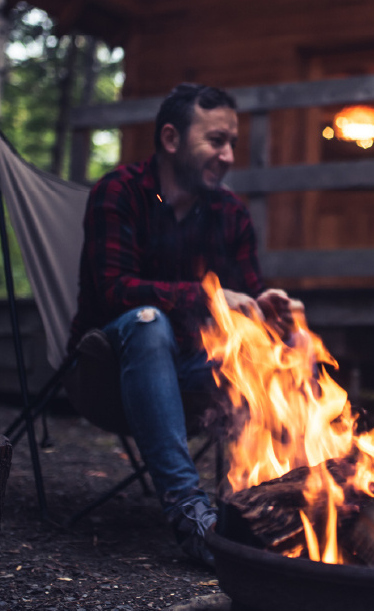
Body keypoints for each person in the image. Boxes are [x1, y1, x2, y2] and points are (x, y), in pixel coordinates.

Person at [66, 83, 294, 567]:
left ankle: (254, 507)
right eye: (215, 141)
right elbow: (114, 290)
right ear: (171, 139)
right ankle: (190, 513)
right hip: (110, 372)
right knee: (148, 322)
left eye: (232, 142)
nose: (229, 155)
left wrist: (265, 310)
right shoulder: (120, 192)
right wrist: (210, 298)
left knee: (265, 351)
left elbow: (244, 306)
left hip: (195, 379)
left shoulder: (230, 213)